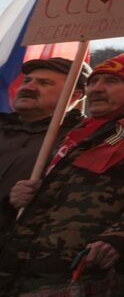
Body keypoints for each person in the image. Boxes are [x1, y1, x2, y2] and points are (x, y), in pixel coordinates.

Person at [0, 52, 124, 297]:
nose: (97, 89)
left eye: (111, 82)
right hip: (31, 265)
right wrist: (26, 195)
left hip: (87, 270)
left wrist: (119, 238)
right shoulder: (81, 132)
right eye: (94, 82)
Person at [0, 56, 89, 229]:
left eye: (44, 83)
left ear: (75, 95)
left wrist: (41, 196)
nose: (28, 87)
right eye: (27, 80)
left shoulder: (82, 139)